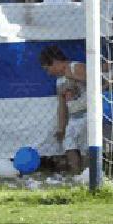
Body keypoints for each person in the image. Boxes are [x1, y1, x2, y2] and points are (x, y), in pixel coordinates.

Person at [39, 44, 86, 174]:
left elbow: (97, 81)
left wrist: (74, 78)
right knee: (69, 144)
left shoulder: (76, 67)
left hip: (88, 113)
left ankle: (90, 173)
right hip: (74, 116)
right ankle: (76, 173)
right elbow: (62, 106)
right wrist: (61, 127)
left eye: (47, 69)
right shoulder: (59, 81)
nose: (48, 73)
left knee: (86, 146)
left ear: (54, 62)